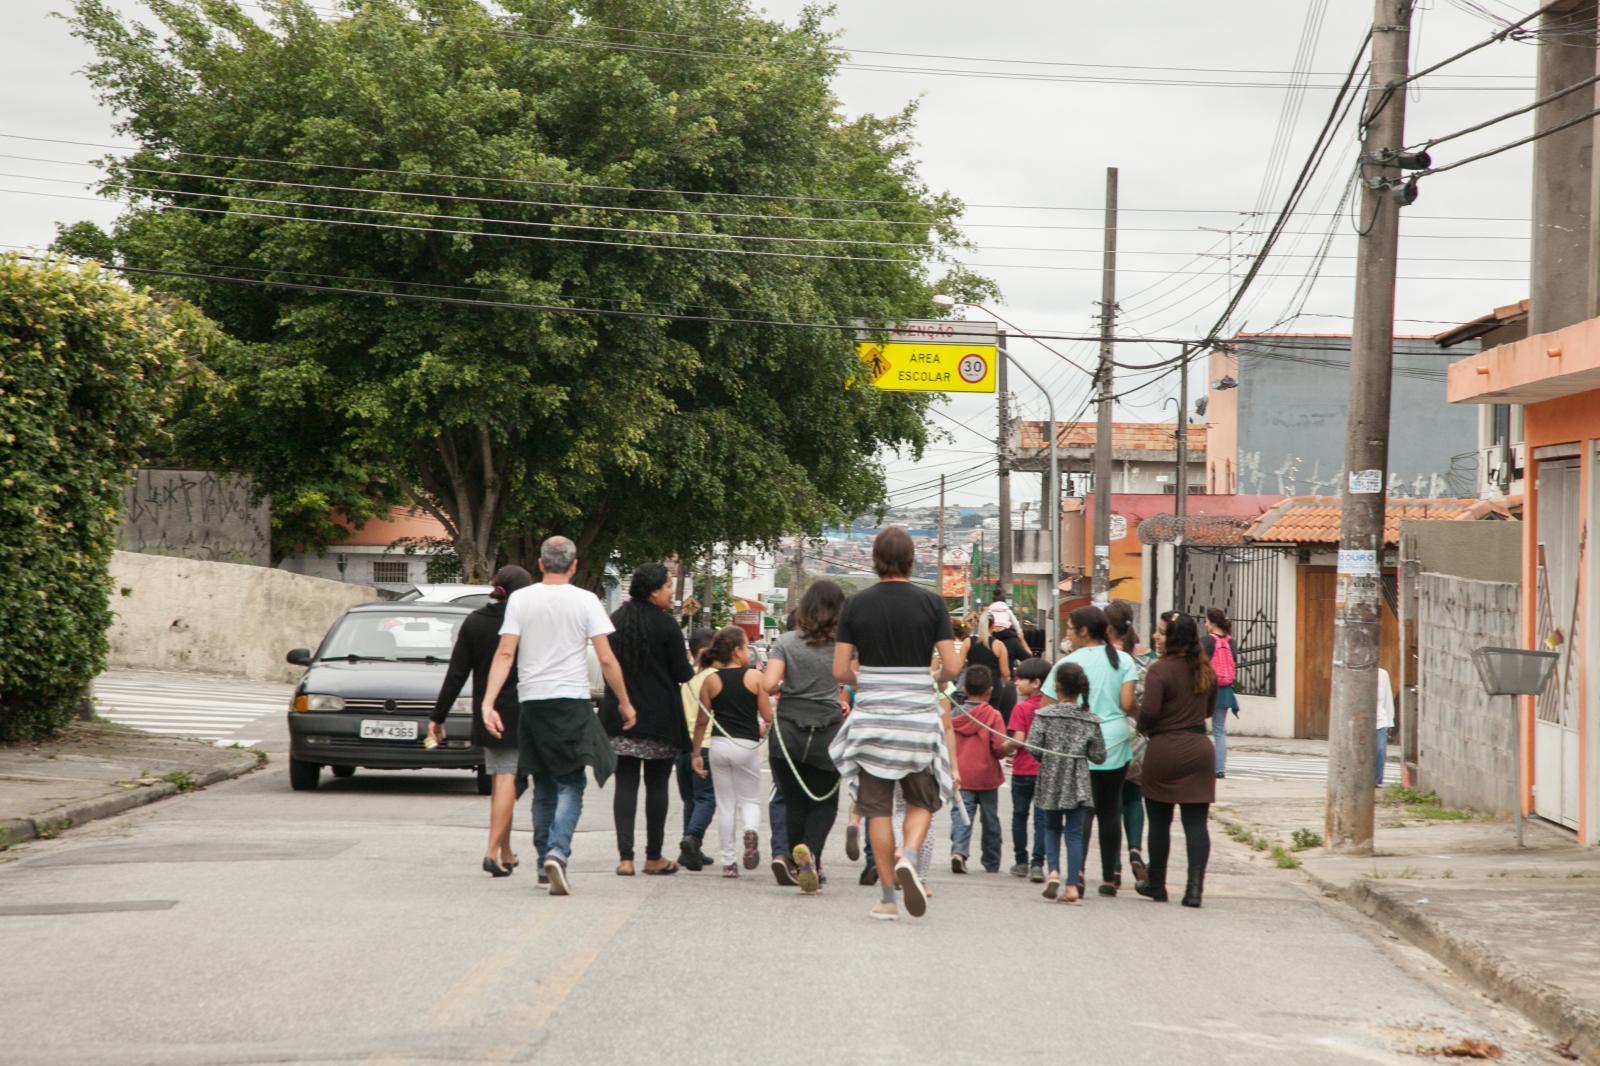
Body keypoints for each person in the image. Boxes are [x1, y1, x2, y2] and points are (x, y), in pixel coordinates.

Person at [480, 536, 631, 897]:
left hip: (532, 703)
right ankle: (557, 852)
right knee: (571, 783)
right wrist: (624, 701)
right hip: (571, 702)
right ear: (575, 565)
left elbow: (505, 654)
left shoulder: (520, 599)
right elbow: (606, 658)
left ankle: (541, 866)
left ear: (541, 563)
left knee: (543, 784)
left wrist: (488, 702)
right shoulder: (586, 601)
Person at [831, 526, 962, 921]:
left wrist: (868, 679)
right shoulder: (932, 603)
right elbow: (952, 666)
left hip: (872, 720)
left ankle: (888, 898)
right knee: (923, 799)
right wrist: (931, 678)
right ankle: (909, 854)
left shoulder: (855, 605)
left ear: (874, 560)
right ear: (911, 559)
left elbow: (840, 669)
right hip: (917, 719)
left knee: (878, 810)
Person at [430, 564, 533, 877]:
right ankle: (491, 851)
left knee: (504, 780)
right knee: (507, 779)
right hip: (521, 712)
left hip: (487, 712)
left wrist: (438, 715)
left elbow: (457, 673)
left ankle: (505, 850)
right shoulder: (527, 624)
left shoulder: (474, 622)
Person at [602, 564, 694, 876]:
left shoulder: (616, 620)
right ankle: (653, 856)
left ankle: (624, 858)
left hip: (621, 716)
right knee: (657, 786)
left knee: (625, 784)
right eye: (669, 587)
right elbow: (683, 674)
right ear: (654, 590)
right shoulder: (667, 626)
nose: (672, 592)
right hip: (659, 719)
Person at [1044, 606, 1136, 897]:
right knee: (1110, 810)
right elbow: (1127, 703)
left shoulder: (1068, 663)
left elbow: (1047, 705)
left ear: (1084, 631)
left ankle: (1078, 873)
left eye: (1070, 628)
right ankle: (1110, 877)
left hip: (1076, 744)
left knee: (1081, 811)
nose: (1069, 634)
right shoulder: (1123, 660)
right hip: (1114, 742)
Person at [764, 581, 848, 895]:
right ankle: (810, 853)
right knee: (825, 802)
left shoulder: (785, 642)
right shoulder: (843, 647)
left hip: (787, 733)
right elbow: (853, 678)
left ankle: (800, 861)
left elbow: (770, 685)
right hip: (827, 730)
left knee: (795, 802)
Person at [1136, 613, 1218, 908]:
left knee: (1159, 822)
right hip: (1199, 748)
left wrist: (1143, 726)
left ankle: (1156, 884)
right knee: (1196, 824)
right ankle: (1194, 888)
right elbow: (1208, 711)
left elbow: (1149, 713)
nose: (1156, 637)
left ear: (1174, 638)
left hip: (1165, 749)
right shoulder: (1205, 670)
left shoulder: (1160, 670)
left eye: (1160, 633)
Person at [692, 627, 773, 878]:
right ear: (737, 651)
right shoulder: (755, 677)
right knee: (749, 800)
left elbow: (702, 722)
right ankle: (750, 830)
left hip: (718, 745)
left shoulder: (710, 680)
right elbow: (768, 716)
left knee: (726, 805)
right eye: (746, 645)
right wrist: (761, 728)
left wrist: (696, 753)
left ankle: (728, 863)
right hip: (746, 746)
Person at [1027, 662, 1106, 905]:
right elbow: (1099, 755)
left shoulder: (1044, 715)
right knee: (1074, 834)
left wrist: (1048, 756)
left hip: (1050, 777)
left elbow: (1032, 746)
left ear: (1057, 687)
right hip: (1078, 781)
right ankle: (1072, 886)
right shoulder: (1090, 720)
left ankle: (1053, 871)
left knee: (1050, 827)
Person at [1104, 599, 1152, 889]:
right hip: (1139, 734)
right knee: (1135, 796)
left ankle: (1115, 867)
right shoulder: (1147, 657)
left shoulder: (1104, 656)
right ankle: (1135, 849)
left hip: (1109, 734)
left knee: (1111, 802)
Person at [948, 665, 1007, 874]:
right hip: (987, 776)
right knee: (990, 818)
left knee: (962, 814)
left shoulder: (954, 713)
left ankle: (959, 851)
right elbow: (999, 748)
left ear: (963, 689)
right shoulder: (993, 715)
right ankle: (991, 861)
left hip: (961, 774)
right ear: (990, 690)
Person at [1004, 657, 1052, 882]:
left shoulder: (1021, 708)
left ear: (1036, 682)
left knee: (1020, 815)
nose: (1016, 682)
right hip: (1045, 770)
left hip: (1023, 769)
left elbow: (1018, 740)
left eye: (1021, 678)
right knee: (1042, 818)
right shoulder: (1051, 708)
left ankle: (1021, 861)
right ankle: (1037, 864)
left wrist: (1001, 748)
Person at [676, 628, 718, 870]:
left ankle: (690, 850)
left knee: (690, 799)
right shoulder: (715, 677)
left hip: (682, 747)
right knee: (707, 797)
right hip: (705, 746)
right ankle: (692, 837)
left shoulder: (683, 677)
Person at [1203, 608, 1239, 778]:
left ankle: (1200, 765)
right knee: (1219, 730)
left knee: (1199, 727)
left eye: (1206, 621)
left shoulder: (1206, 641)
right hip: (1225, 690)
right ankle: (1219, 769)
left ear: (1212, 622)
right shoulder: (1231, 642)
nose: (1205, 624)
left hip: (1207, 689)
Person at [962, 611, 1016, 724]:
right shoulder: (999, 645)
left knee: (970, 719)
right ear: (993, 626)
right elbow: (1005, 673)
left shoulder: (967, 642)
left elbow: (959, 665)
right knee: (990, 721)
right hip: (992, 689)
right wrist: (1004, 683)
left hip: (972, 686)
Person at [1376, 666, 1396, 787]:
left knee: (1380, 750)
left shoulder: (1382, 674)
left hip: (1380, 719)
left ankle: (1377, 779)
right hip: (1362, 720)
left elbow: (1388, 698)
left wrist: (1389, 721)